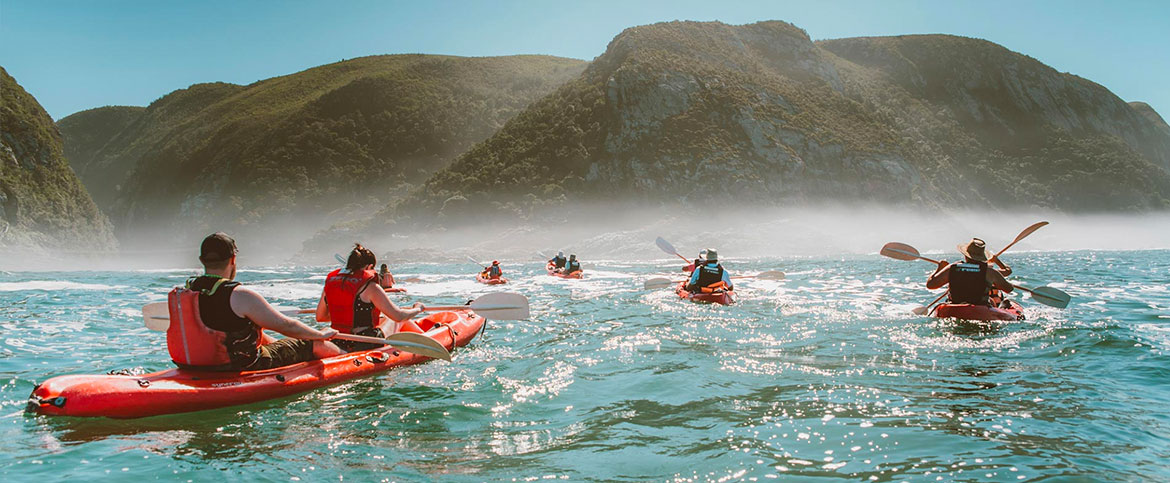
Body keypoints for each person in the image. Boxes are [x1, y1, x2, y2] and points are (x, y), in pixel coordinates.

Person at [167, 232, 343, 371]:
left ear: (201, 260)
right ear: (233, 259)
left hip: (192, 365)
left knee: (260, 334)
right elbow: (286, 326)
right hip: (240, 365)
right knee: (311, 343)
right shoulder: (240, 295)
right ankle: (349, 358)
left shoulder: (186, 291)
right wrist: (320, 335)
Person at [317, 243, 425, 352]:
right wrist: (418, 309)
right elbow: (398, 316)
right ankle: (425, 336)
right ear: (369, 267)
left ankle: (422, 335)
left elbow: (320, 317)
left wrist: (344, 314)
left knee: (384, 319)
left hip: (339, 340)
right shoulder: (371, 287)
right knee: (393, 320)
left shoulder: (330, 284)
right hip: (366, 341)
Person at [926, 238, 1014, 306]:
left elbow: (930, 285)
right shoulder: (989, 272)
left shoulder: (952, 268)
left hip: (956, 306)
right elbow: (1009, 289)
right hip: (980, 308)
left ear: (966, 255)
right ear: (982, 256)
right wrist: (996, 263)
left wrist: (940, 268)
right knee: (995, 301)